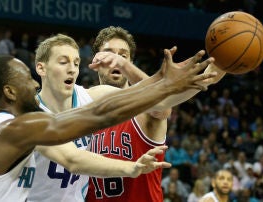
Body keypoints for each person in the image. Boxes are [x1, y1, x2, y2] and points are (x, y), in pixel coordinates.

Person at [0, 42, 216, 201]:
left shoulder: (9, 127)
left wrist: (160, 81)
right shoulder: (12, 129)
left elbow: (73, 152)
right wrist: (165, 86)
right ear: (9, 91)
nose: (32, 82)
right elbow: (99, 116)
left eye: (76, 62)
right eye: (26, 77)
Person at [86, 26, 226, 201]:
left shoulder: (143, 108)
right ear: (96, 59)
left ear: (130, 63)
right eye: (109, 53)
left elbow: (161, 107)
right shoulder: (83, 104)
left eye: (123, 55)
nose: (115, 59)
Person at [27, 33, 172, 202]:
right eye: (63, 62)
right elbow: (73, 160)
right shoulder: (30, 117)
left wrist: (188, 84)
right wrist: (132, 167)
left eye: (76, 63)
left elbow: (160, 105)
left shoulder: (91, 97)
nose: (72, 68)